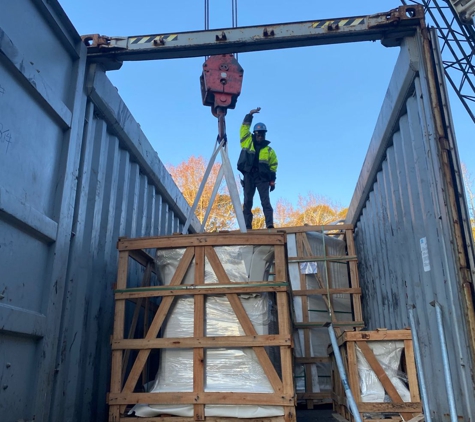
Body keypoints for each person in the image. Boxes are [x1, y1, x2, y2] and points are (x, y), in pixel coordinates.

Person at [237, 107, 278, 229]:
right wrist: (249, 115)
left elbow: (273, 166)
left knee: (265, 202)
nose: (260, 136)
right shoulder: (247, 141)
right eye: (258, 134)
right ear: (255, 134)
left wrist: (272, 181)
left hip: (262, 178)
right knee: (247, 201)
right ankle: (247, 226)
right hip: (249, 175)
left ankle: (269, 224)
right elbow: (244, 130)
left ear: (265, 134)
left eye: (262, 134)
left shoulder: (269, 150)